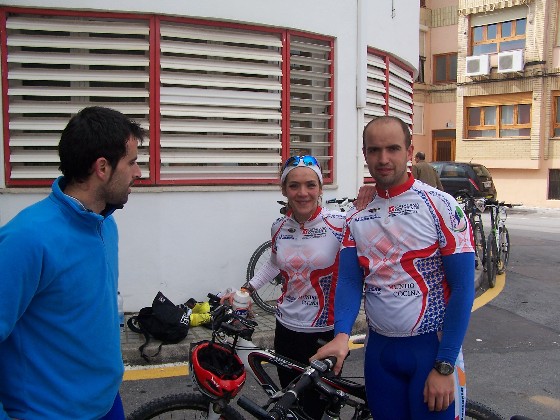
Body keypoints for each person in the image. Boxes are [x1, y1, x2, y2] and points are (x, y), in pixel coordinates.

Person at [312, 116, 475, 420]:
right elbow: (349, 282)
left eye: (393, 149)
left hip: (432, 352)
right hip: (380, 354)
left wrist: (445, 364)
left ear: (409, 151)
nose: (383, 159)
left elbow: (464, 288)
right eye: (374, 150)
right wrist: (341, 334)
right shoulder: (356, 215)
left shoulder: (440, 205)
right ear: (365, 154)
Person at [0, 106, 146, 419]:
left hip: (106, 403)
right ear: (102, 167)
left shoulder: (105, 223)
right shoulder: (27, 238)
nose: (139, 173)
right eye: (132, 162)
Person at [221, 155, 346, 419]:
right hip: (286, 330)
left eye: (310, 185)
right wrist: (245, 290)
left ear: (320, 189)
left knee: (316, 411)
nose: (303, 193)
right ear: (284, 190)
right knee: (291, 407)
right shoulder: (279, 227)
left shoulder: (340, 224)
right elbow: (273, 265)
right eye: (294, 186)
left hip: (325, 333)